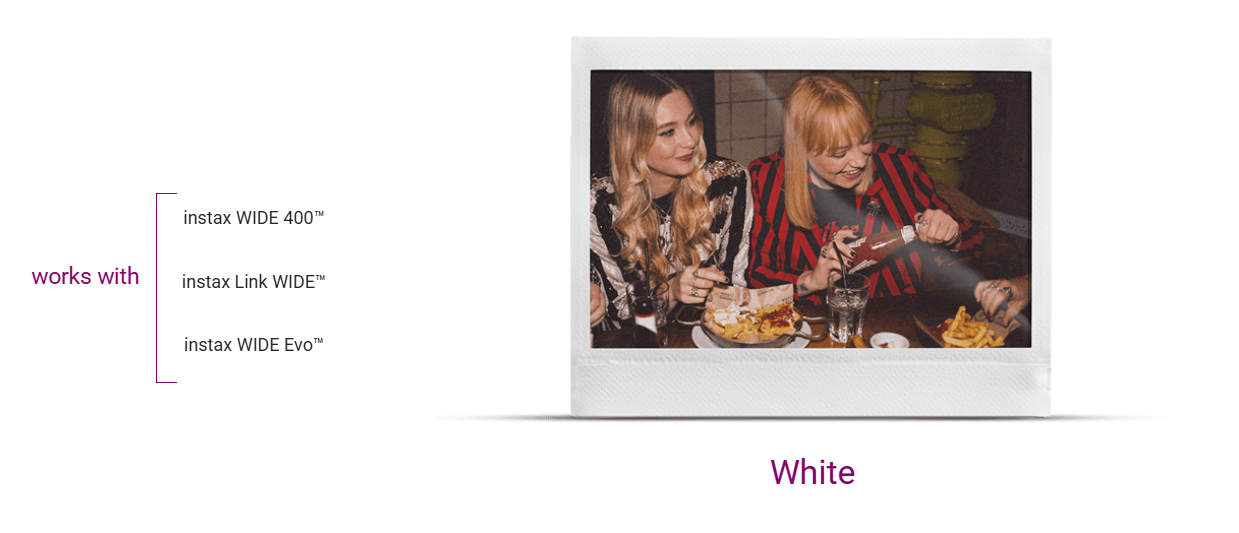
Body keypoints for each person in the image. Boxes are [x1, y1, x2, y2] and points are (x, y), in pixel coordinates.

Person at [748, 73, 983, 303]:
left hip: (892, 316)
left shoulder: (899, 167)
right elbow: (757, 278)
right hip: (809, 320)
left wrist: (952, 237)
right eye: (839, 153)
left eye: (864, 141)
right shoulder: (765, 180)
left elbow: (973, 238)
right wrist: (811, 281)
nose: (860, 161)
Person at [589, 72, 753, 331]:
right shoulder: (599, 204)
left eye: (691, 121)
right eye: (668, 132)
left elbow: (736, 286)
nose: (690, 140)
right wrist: (672, 292)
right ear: (631, 140)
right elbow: (620, 315)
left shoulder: (728, 181)